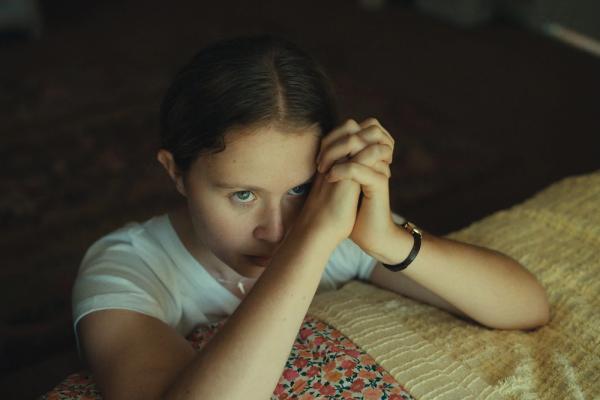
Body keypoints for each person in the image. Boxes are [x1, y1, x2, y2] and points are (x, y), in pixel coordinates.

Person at [72, 33, 550, 400]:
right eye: (242, 194)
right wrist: (312, 244)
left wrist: (386, 239)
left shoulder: (335, 223)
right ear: (175, 172)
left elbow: (527, 307)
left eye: (299, 188)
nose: (276, 228)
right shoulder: (127, 269)